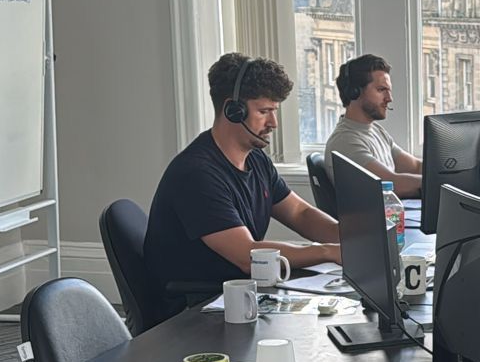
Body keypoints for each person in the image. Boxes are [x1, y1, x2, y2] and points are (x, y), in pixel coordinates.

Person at [144, 53, 341, 296]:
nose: (273, 123)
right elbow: (247, 256)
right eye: (264, 111)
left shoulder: (256, 159)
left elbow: (300, 214)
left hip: (239, 294)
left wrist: (352, 238)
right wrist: (327, 251)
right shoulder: (196, 174)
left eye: (274, 111)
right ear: (233, 111)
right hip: (194, 310)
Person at [324, 53, 422, 200]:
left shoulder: (375, 131)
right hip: (373, 222)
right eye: (381, 90)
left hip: (391, 216)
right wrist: (440, 183)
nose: (389, 98)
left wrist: (451, 174)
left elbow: (415, 167)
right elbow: (392, 184)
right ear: (355, 92)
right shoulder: (345, 141)